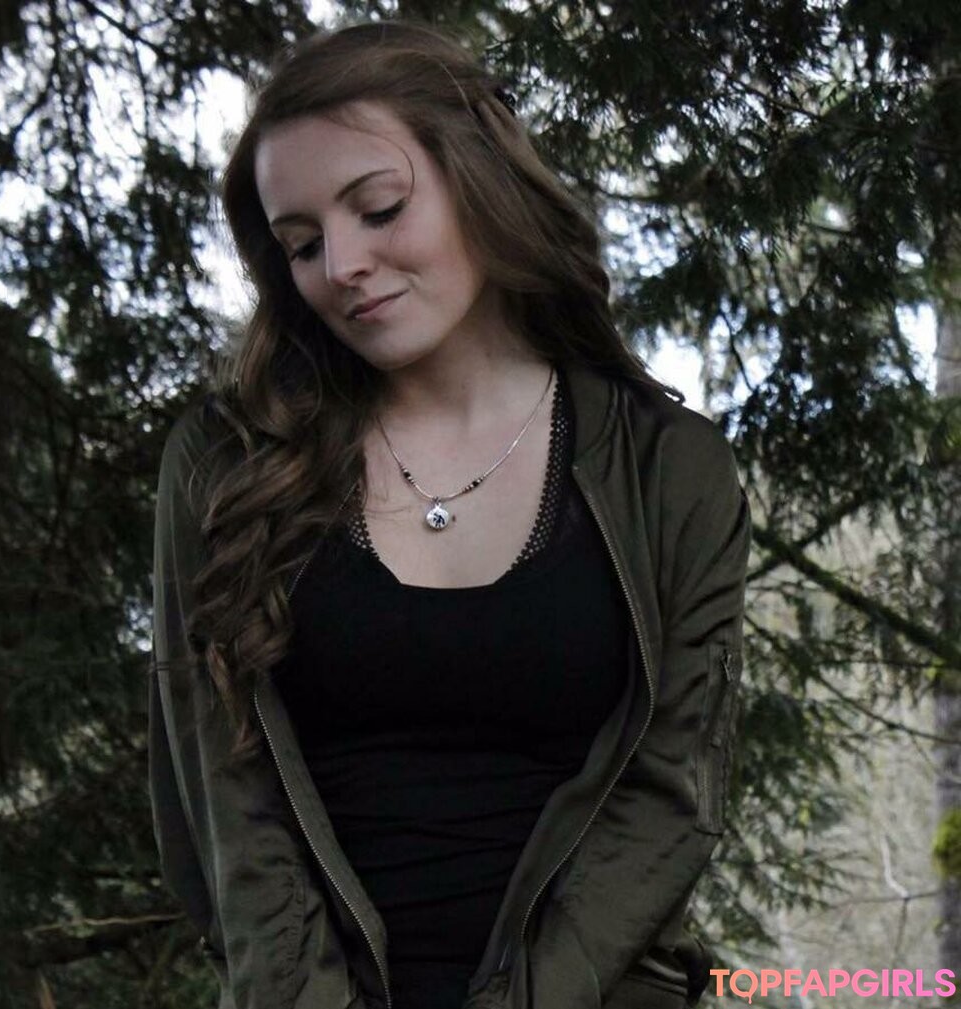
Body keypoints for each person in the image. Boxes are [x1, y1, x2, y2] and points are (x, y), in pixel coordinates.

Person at [150, 19, 750, 1009]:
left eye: (378, 208)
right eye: (302, 244)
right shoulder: (228, 465)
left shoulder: (668, 469)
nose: (340, 264)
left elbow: (669, 801)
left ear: (477, 176)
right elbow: (222, 807)